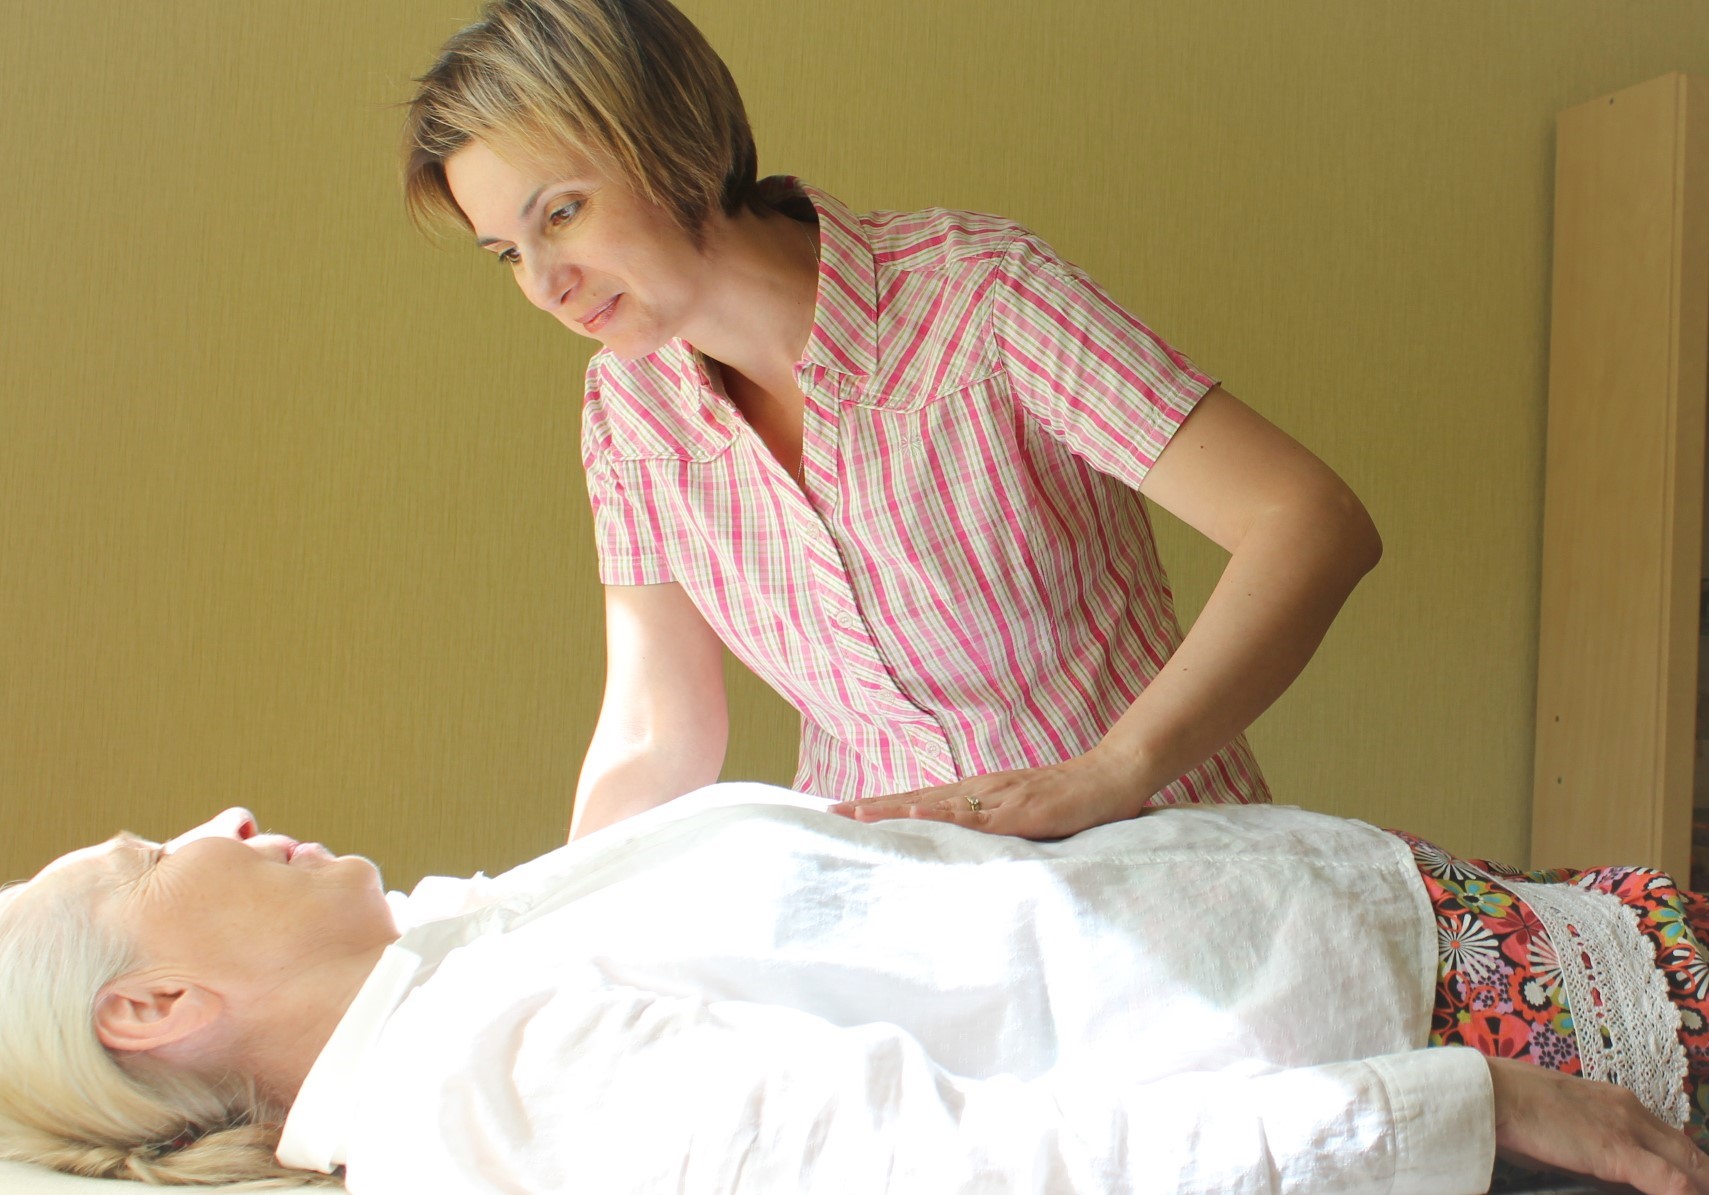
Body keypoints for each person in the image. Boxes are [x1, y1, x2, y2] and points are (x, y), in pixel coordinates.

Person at [399, 0, 1385, 841]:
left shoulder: (979, 296)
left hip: (1157, 870)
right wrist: (557, 929)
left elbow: (1309, 521)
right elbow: (657, 733)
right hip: (898, 925)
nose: (545, 284)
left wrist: (1110, 771)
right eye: (507, 254)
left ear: (671, 143)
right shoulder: (627, 413)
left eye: (560, 214)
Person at [1, 790, 1706, 1192]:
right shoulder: (491, 1077)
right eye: (151, 854)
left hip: (1419, 947)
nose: (221, 819)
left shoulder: (450, 967)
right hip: (1452, 1054)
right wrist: (1460, 1107)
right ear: (152, 1008)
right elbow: (985, 1170)